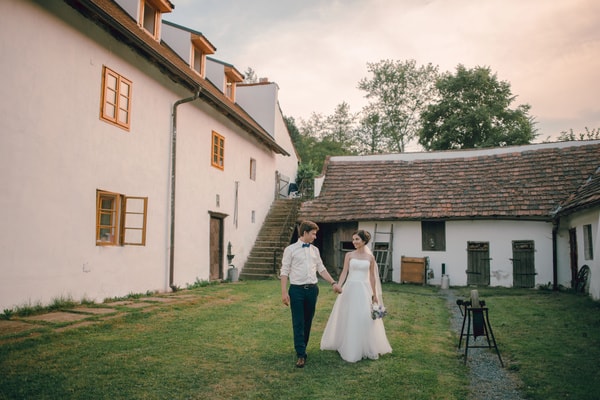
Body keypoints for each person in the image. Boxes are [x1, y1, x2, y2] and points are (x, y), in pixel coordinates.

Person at [320, 229, 392, 362]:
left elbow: (372, 277)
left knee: (364, 317)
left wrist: (374, 294)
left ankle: (364, 345)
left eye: (357, 239)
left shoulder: (370, 258)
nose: (354, 242)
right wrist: (339, 285)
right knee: (348, 315)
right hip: (350, 288)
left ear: (364, 241)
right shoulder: (349, 255)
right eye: (353, 239)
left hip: (364, 289)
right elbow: (344, 272)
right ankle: (347, 343)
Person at [280, 220, 342, 368]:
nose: (315, 237)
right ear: (305, 233)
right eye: (313, 234)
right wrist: (283, 292)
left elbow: (321, 268)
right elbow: (284, 271)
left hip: (312, 290)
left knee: (308, 322)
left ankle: (303, 347)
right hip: (296, 291)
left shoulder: (315, 250)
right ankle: (300, 354)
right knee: (298, 322)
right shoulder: (290, 250)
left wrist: (333, 283)